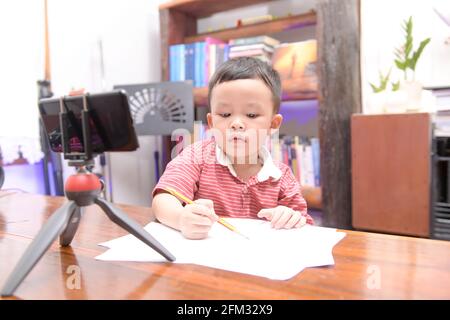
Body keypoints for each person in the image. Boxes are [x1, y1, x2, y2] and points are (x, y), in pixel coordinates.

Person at [152, 57, 314, 239]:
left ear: (273, 124)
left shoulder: (282, 177)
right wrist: (181, 218)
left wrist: (290, 217)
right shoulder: (195, 157)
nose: (236, 124)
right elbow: (163, 199)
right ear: (211, 122)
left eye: (251, 114)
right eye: (225, 114)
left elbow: (303, 224)